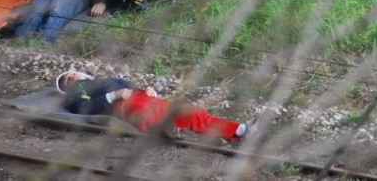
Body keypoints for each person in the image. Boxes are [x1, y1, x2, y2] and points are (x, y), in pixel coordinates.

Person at [56, 70, 256, 141]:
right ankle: (163, 129)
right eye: (65, 80)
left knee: (190, 112)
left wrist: (148, 88)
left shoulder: (108, 79)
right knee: (141, 112)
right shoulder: (77, 91)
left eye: (70, 74)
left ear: (83, 73)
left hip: (144, 97)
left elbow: (131, 86)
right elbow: (83, 108)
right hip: (123, 104)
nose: (70, 77)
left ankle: (238, 130)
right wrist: (113, 95)